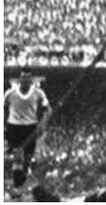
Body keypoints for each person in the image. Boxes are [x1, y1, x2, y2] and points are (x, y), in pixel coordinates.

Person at [4, 70, 51, 198]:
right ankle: (17, 185)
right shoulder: (9, 93)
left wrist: (43, 124)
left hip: (31, 127)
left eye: (28, 78)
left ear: (31, 80)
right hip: (14, 126)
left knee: (27, 159)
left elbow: (48, 110)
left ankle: (21, 182)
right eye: (23, 77)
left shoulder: (38, 93)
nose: (25, 80)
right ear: (20, 79)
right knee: (17, 156)